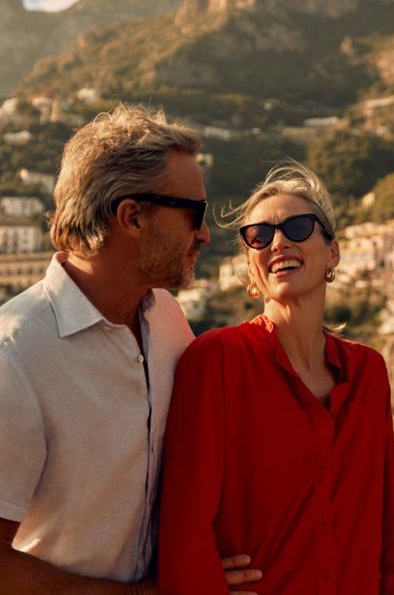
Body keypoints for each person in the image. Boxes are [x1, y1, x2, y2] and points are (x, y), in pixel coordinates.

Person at [0, 104, 261, 594]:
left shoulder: (167, 320)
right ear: (132, 217)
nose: (205, 234)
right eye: (194, 214)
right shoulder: (14, 356)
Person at [159, 165, 394, 594]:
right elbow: (184, 528)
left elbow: (388, 531)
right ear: (250, 268)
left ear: (333, 253)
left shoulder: (369, 373)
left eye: (298, 226)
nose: (278, 241)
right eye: (259, 235)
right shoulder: (216, 360)